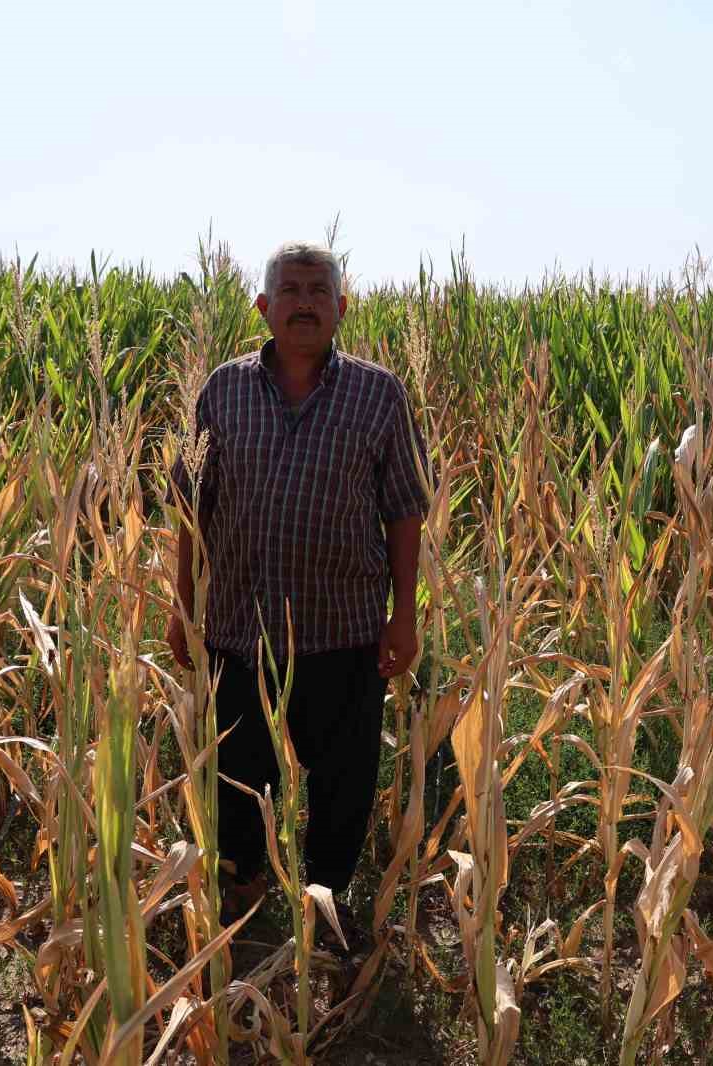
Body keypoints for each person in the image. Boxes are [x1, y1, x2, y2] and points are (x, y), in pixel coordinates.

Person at [166, 240, 430, 945]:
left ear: (342, 309)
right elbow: (194, 501)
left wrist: (404, 615)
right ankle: (244, 884)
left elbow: (405, 508)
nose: (304, 302)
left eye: (319, 290)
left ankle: (326, 895)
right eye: (290, 289)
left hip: (341, 631)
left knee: (343, 779)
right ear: (263, 306)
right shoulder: (223, 388)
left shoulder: (379, 394)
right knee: (237, 770)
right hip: (236, 629)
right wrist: (181, 601)